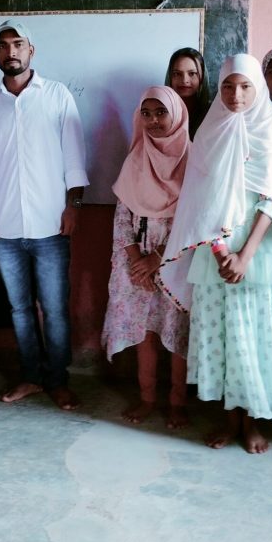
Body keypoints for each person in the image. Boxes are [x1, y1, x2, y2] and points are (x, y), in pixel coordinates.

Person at [160, 56, 272, 451]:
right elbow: (201, 199)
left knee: (253, 335)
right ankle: (228, 418)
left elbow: (271, 199)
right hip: (214, 247)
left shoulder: (270, 130)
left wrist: (245, 254)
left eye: (245, 87)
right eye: (228, 87)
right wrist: (221, 253)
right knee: (220, 336)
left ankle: (253, 421)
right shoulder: (209, 131)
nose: (236, 95)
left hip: (257, 245)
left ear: (257, 88)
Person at [0, 19, 88, 411]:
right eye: (3, 46)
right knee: (19, 310)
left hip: (51, 224)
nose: (11, 52)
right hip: (5, 227)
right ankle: (32, 377)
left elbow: (74, 159)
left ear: (31, 50)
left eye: (18, 44)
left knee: (54, 309)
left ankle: (58, 380)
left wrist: (73, 206)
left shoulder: (56, 96)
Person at [102, 86, 191, 428]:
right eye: (146, 113)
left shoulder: (192, 161)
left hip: (175, 259)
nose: (153, 121)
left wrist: (158, 259)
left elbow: (192, 220)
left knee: (177, 333)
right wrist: (136, 260)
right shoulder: (135, 158)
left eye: (161, 112)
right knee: (146, 334)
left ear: (176, 114)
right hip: (135, 261)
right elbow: (122, 216)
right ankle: (147, 398)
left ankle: (178, 402)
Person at [164, 47, 211, 137]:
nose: (184, 80)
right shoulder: (159, 111)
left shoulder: (213, 112)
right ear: (170, 77)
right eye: (177, 74)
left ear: (202, 78)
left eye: (192, 73)